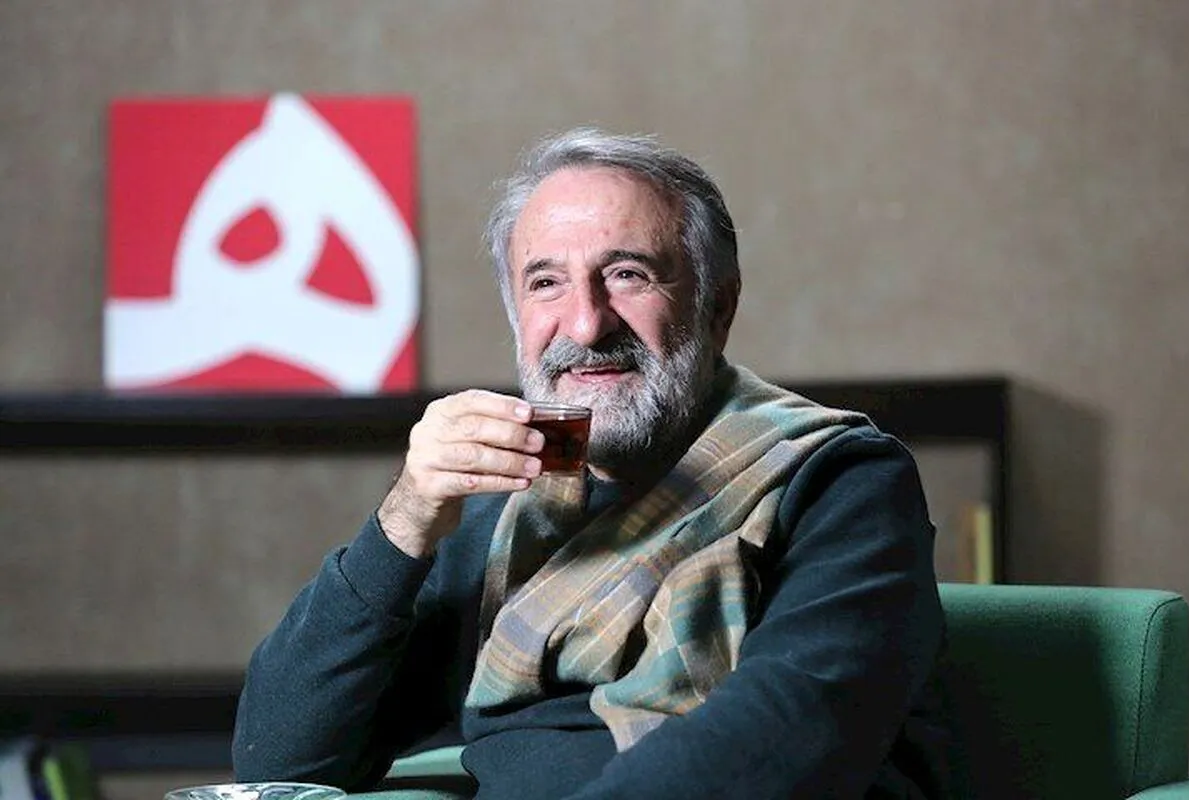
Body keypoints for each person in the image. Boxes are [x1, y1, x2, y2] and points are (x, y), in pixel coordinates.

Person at [233, 128, 959, 799]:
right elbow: (282, 761)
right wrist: (405, 520)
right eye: (546, 282)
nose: (585, 325)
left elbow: (790, 734)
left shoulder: (839, 479)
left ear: (717, 307)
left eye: (628, 275)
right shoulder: (502, 499)